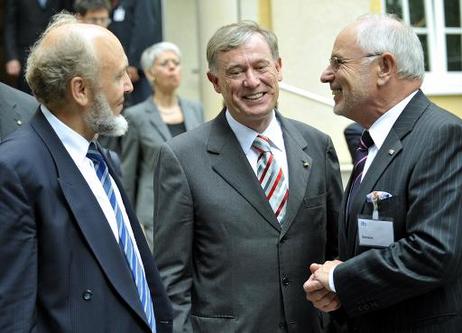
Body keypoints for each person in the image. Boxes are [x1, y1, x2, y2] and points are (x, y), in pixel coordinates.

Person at [153, 21, 342, 332]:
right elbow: (171, 277)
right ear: (215, 81)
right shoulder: (182, 158)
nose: (252, 81)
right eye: (236, 71)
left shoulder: (318, 147)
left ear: (279, 68)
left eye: (260, 66)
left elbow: (337, 251)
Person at [0, 13, 172, 332]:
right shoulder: (14, 169)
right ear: (80, 90)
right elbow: (13, 312)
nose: (130, 85)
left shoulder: (102, 157)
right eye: (119, 75)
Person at [304, 14, 462, 332]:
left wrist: (339, 279)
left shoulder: (440, 135)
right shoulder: (374, 142)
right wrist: (342, 293)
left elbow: (434, 251)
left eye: (338, 62)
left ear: (384, 68)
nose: (326, 75)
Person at [121, 41, 204, 251]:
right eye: (165, 63)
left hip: (194, 207)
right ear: (150, 73)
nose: (172, 67)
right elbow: (128, 173)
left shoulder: (195, 109)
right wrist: (129, 219)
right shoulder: (136, 116)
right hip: (152, 212)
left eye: (176, 62)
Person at [3, 0, 73, 93]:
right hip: (25, 54)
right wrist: (11, 57)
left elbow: (69, 20)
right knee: (26, 92)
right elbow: (10, 25)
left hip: (54, 52)